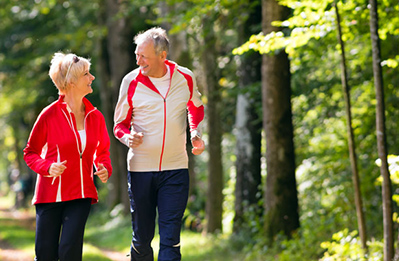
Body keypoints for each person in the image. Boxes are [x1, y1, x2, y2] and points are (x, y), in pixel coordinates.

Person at [114, 27, 205, 261]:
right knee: (142, 240)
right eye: (137, 54)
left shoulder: (184, 77)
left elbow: (195, 107)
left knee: (171, 239)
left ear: (162, 55)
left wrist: (195, 132)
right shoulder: (131, 81)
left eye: (143, 56)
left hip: (176, 170)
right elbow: (119, 125)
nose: (138, 60)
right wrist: (127, 137)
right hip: (141, 170)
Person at [23, 52, 112, 261]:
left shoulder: (95, 116)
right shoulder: (49, 115)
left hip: (81, 193)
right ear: (71, 81)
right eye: (86, 74)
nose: (92, 78)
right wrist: (47, 167)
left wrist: (104, 167)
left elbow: (102, 151)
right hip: (50, 194)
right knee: (45, 254)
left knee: (69, 251)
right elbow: (30, 152)